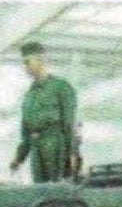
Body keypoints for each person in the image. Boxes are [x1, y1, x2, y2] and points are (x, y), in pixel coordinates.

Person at [10, 41, 78, 183]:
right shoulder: (29, 95)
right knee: (39, 190)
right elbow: (26, 133)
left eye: (27, 62)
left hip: (56, 146)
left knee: (57, 188)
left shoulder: (61, 87)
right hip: (36, 149)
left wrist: (73, 154)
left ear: (40, 59)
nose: (25, 67)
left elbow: (69, 123)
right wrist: (18, 159)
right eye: (23, 63)